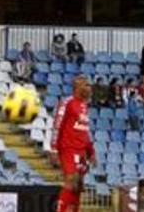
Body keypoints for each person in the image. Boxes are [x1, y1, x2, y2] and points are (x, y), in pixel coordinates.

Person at [52, 75, 96, 212]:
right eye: (86, 85)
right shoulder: (68, 103)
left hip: (81, 150)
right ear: (78, 87)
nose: (89, 88)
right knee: (71, 180)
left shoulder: (84, 106)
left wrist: (91, 152)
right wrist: (53, 149)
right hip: (68, 148)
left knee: (78, 185)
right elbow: (57, 125)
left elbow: (84, 131)